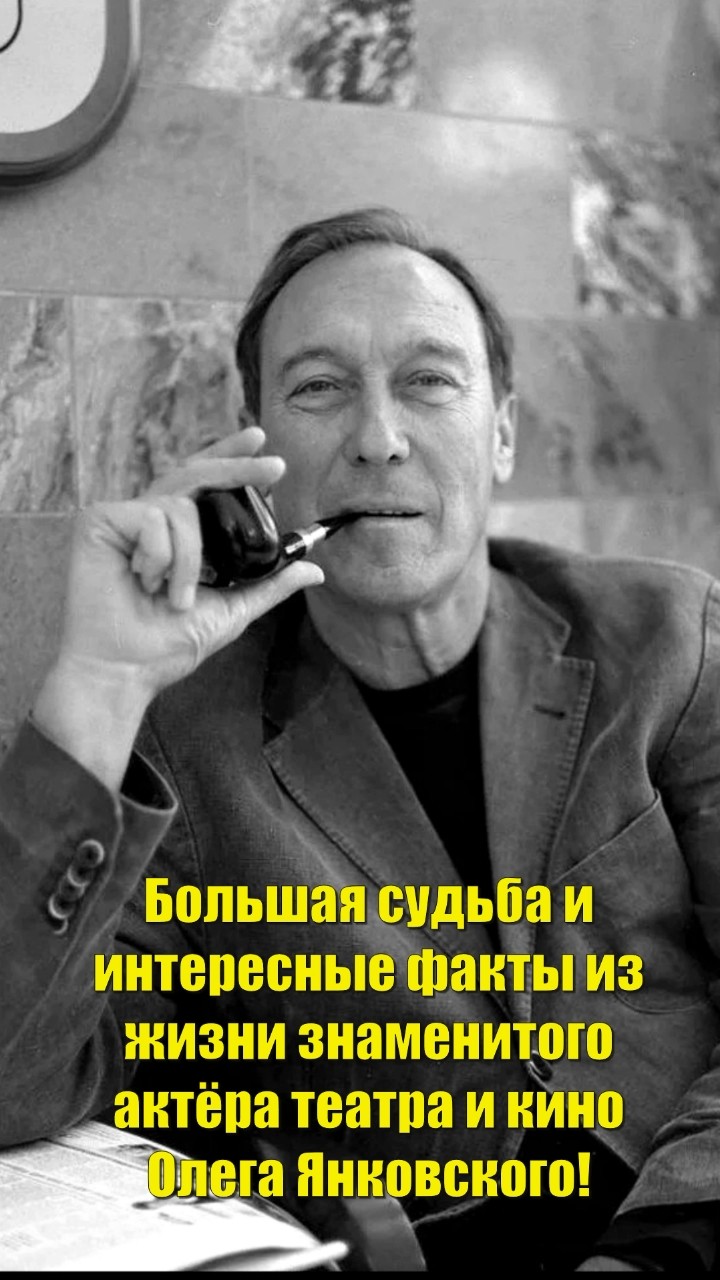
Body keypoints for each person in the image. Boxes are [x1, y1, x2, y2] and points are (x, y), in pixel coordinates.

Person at [1, 206, 719, 1273]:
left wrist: (661, 1250)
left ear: (502, 432)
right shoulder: (184, 738)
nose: (378, 436)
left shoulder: (670, 640)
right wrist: (98, 685)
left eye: (428, 380)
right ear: (256, 453)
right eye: (319, 387)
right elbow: (14, 1083)